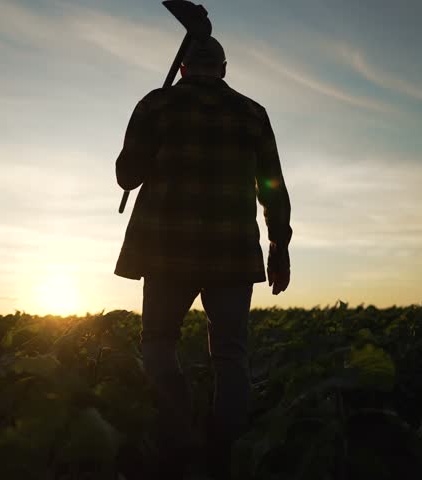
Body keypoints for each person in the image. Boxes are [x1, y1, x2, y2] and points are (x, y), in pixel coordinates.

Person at [114, 35, 292, 479]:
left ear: (182, 69)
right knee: (231, 354)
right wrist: (279, 244)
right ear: (225, 69)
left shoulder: (157, 105)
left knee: (158, 343)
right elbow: (272, 186)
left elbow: (126, 176)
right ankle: (226, 450)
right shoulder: (252, 113)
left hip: (165, 250)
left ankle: (180, 437)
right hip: (231, 252)